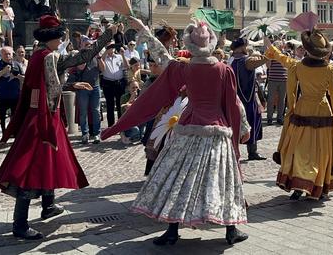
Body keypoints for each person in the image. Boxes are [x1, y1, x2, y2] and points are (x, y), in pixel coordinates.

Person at [100, 20, 250, 246]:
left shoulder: (184, 68)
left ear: (190, 44)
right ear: (212, 43)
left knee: (179, 178)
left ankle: (172, 230)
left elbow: (161, 57)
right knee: (222, 179)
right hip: (216, 130)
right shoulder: (223, 69)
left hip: (188, 127)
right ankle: (231, 230)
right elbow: (234, 104)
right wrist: (243, 129)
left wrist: (143, 29)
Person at [0, 15, 116, 240]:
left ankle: (48, 205)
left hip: (39, 113)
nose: (61, 40)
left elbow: (48, 84)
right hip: (43, 117)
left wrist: (72, 83)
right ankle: (20, 224)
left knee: (49, 160)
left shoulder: (38, 55)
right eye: (59, 36)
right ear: (52, 37)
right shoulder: (49, 56)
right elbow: (85, 55)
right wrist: (109, 34)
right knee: (30, 167)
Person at [264, 29, 333, 200]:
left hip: (302, 109)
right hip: (322, 110)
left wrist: (272, 47)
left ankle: (298, 186)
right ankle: (317, 184)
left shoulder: (298, 66)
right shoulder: (330, 70)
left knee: (299, 147)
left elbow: (283, 59)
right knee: (321, 150)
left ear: (308, 50)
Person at [230, 37, 267, 161]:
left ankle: (236, 152)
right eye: (246, 45)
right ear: (241, 47)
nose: (247, 48)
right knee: (251, 123)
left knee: (236, 125)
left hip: (234, 99)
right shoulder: (246, 61)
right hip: (247, 99)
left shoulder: (231, 61)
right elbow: (263, 61)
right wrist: (269, 52)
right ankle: (252, 152)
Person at [66, 39, 102, 144]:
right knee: (83, 112)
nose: (89, 47)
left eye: (90, 45)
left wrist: (98, 57)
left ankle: (96, 134)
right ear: (82, 46)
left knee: (96, 111)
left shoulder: (96, 57)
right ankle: (85, 134)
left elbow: (103, 69)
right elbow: (80, 67)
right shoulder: (79, 57)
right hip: (83, 88)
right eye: (86, 45)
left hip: (95, 87)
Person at [0, 46, 25, 131]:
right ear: (1, 55)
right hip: (1, 96)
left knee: (16, 116)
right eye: (5, 54)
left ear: (12, 55)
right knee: (1, 116)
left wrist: (17, 76)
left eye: (9, 54)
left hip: (15, 95)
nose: (7, 56)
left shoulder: (17, 64)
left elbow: (24, 78)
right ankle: (2, 134)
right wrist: (3, 72)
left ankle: (15, 134)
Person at [98, 44, 129, 126]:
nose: (111, 48)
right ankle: (111, 125)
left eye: (112, 47)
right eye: (109, 47)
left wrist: (123, 55)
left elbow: (126, 66)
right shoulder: (103, 57)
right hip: (108, 83)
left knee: (120, 104)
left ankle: (120, 124)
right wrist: (106, 52)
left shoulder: (119, 57)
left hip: (119, 82)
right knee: (110, 105)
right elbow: (101, 66)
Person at [265, 41, 288, 126]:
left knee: (282, 100)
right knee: (270, 100)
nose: (279, 46)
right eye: (276, 45)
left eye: (280, 45)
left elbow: (287, 65)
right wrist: (270, 57)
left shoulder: (286, 54)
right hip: (273, 80)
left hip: (284, 80)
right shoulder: (271, 54)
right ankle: (269, 118)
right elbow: (268, 66)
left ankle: (280, 118)